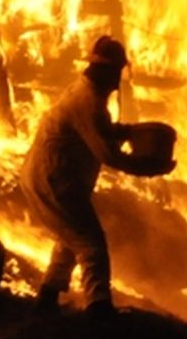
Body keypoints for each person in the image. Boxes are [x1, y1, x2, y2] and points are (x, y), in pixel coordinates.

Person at [21, 35, 174, 318]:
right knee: (91, 246)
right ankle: (99, 310)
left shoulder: (85, 96)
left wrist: (127, 131)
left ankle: (48, 297)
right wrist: (147, 168)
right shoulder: (88, 102)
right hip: (55, 181)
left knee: (70, 240)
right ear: (105, 71)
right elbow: (108, 154)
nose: (118, 81)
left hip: (50, 177)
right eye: (116, 73)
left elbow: (95, 133)